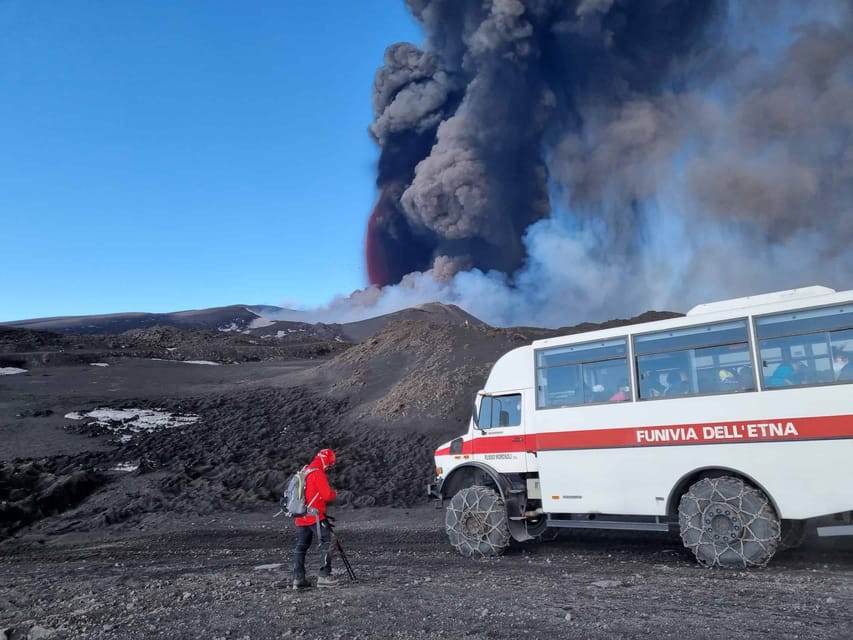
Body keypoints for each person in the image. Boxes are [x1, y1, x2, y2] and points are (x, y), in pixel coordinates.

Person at [292, 448, 338, 589]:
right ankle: (324, 576)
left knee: (301, 546)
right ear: (326, 461)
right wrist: (334, 493)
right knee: (329, 540)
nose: (329, 467)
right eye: (330, 464)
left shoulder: (305, 470)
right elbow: (326, 495)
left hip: (301, 515)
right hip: (315, 517)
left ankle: (298, 579)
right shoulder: (318, 473)